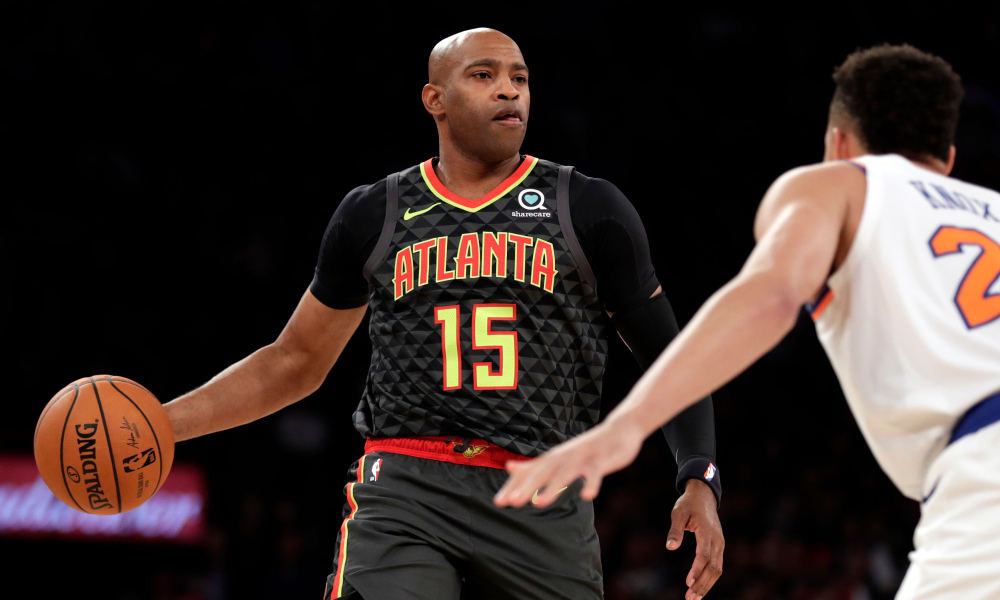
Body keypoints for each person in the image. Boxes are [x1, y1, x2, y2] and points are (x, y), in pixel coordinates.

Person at [163, 28, 725, 600]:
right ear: (435, 99)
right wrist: (162, 426)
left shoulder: (586, 206)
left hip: (542, 488)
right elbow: (294, 361)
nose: (509, 90)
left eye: (520, 78)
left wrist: (699, 474)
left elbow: (669, 357)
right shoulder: (375, 212)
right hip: (407, 484)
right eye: (484, 75)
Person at [495, 43, 1000, 599]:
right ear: (948, 160)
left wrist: (628, 425)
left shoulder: (836, 184)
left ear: (838, 144)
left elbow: (772, 296)